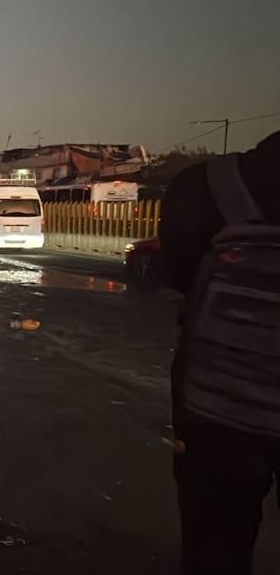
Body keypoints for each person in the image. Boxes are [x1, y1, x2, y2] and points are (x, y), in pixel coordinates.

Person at [159, 130, 280, 574]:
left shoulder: (204, 187)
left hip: (217, 406)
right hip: (214, 408)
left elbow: (179, 275)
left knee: (215, 548)